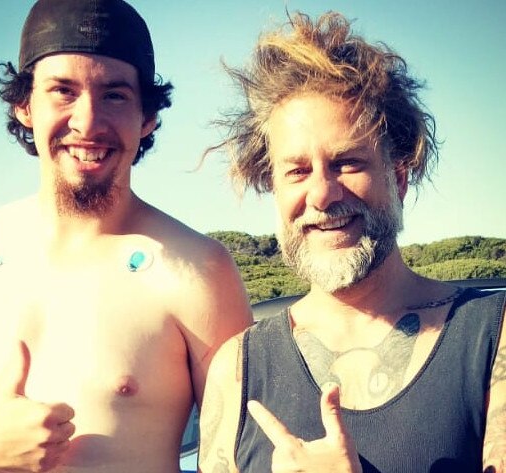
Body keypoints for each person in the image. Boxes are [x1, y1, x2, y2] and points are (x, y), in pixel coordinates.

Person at [0, 0, 252, 471]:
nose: (88, 122)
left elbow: (245, 453)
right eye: (63, 91)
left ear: (147, 117)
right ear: (24, 105)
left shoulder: (197, 269)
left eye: (114, 95)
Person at [198, 11, 506, 473]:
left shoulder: (493, 336)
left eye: (347, 162)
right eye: (297, 171)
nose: (321, 193)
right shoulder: (238, 368)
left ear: (398, 178)